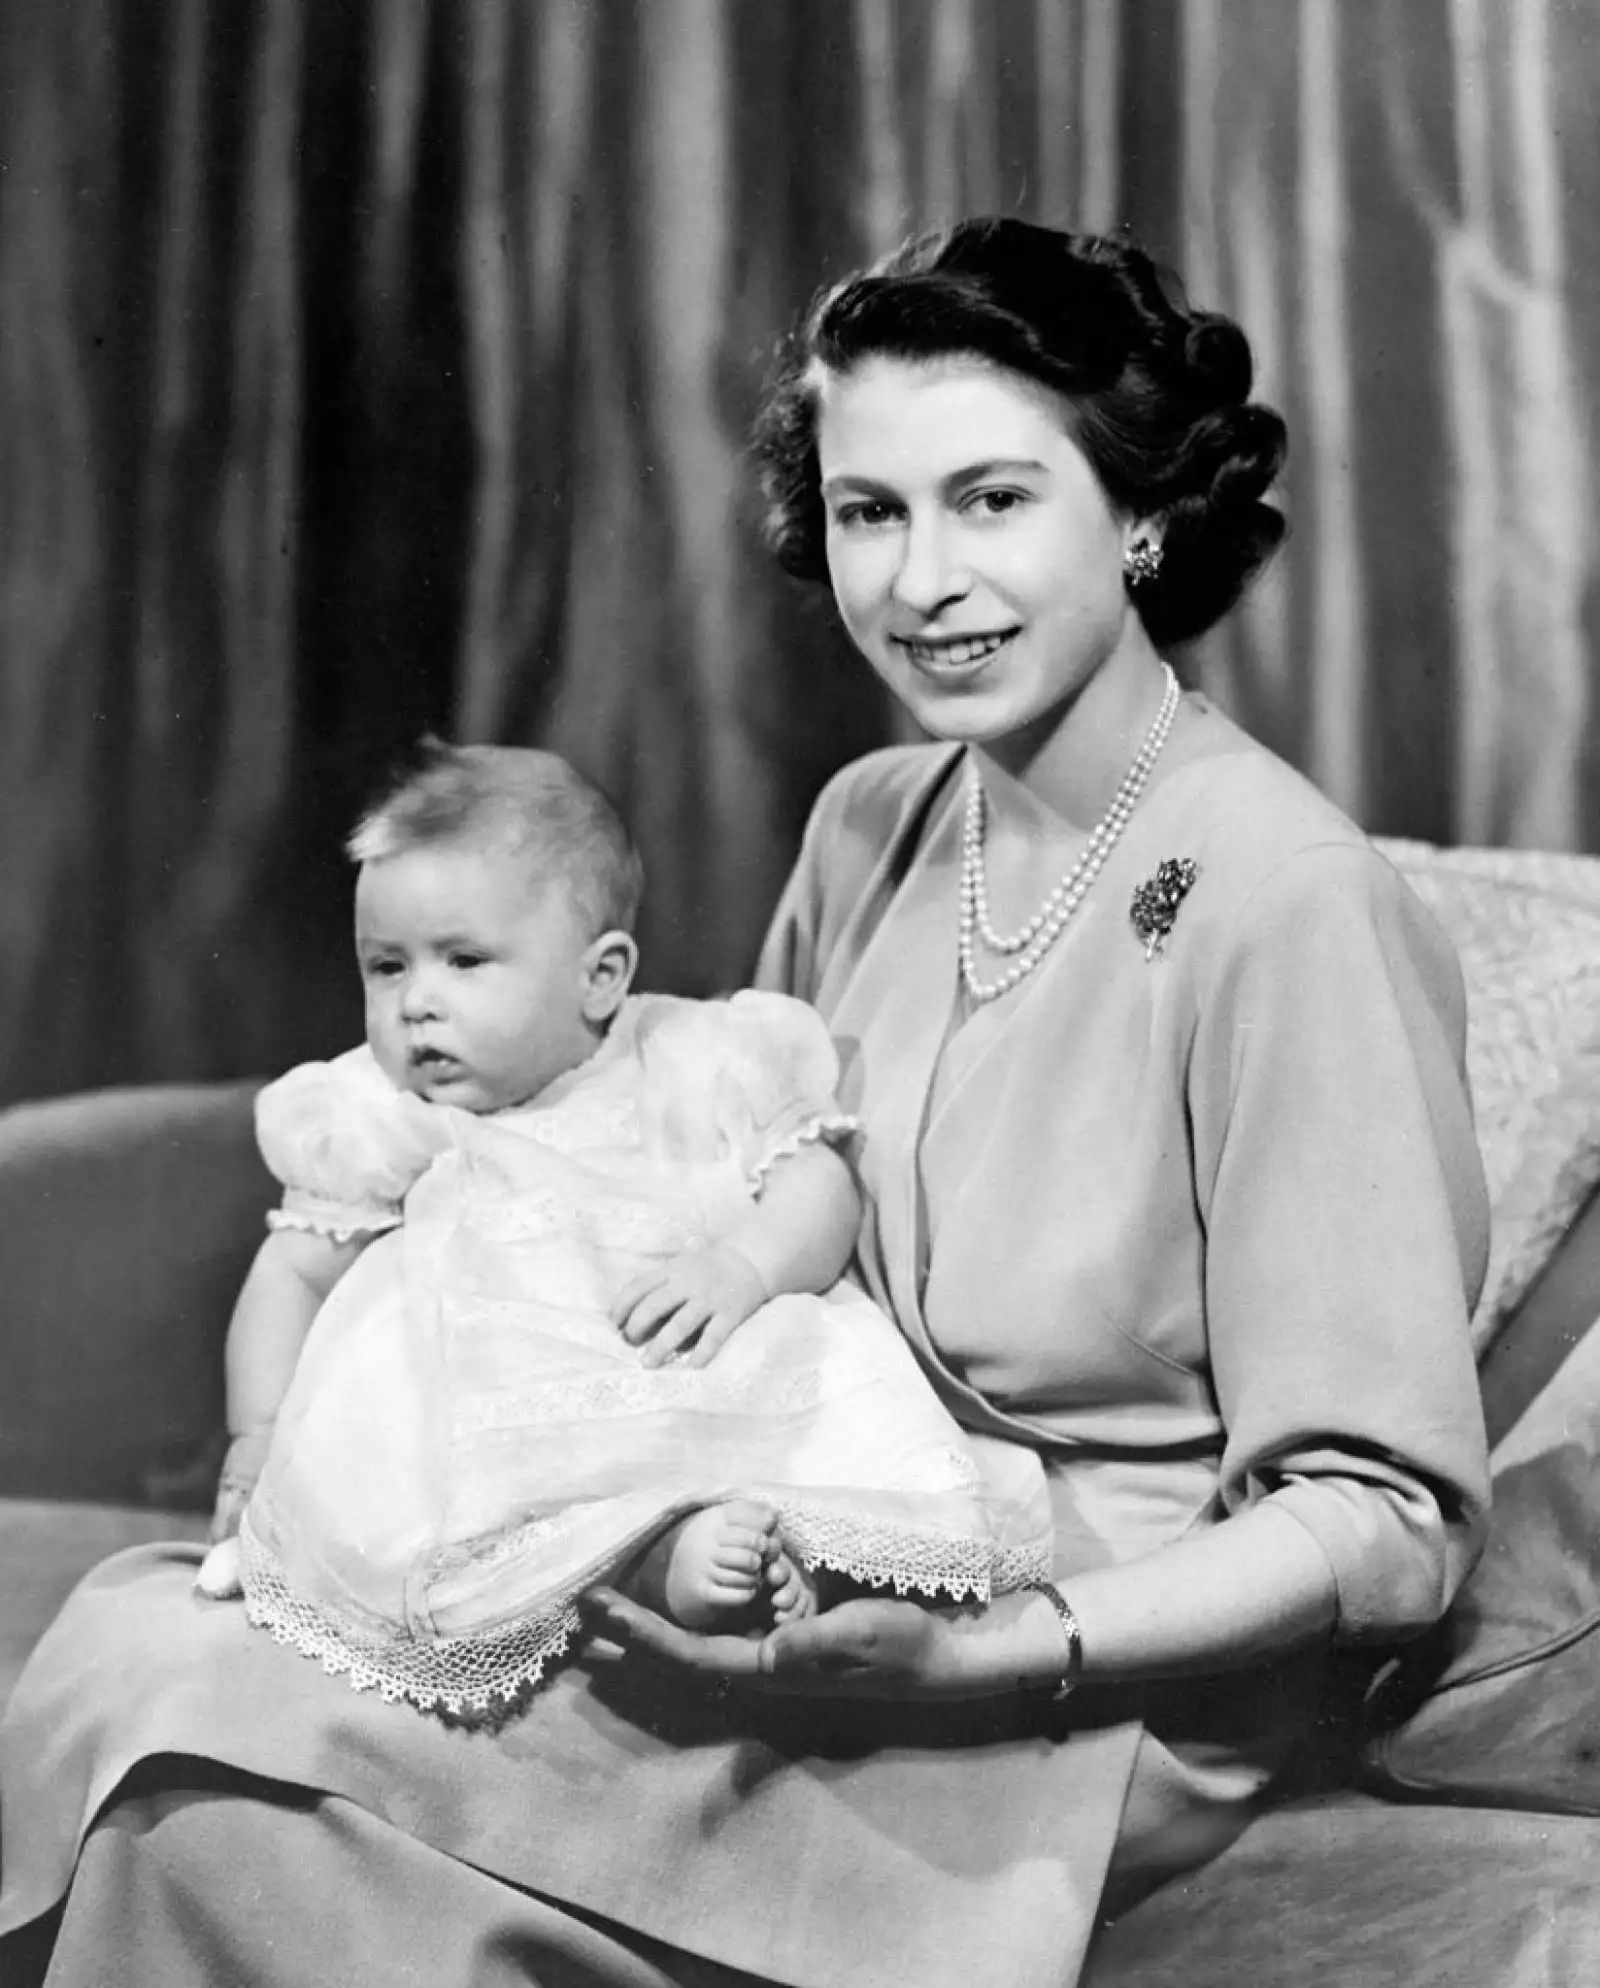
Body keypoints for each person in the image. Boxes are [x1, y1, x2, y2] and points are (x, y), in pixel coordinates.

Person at [0, 218, 1490, 1988]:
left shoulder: (1289, 896)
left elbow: (1384, 1517)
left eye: (994, 500)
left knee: (221, 1800)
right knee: (150, 1654)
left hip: (1083, 1683)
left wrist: (992, 1649)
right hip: (790, 1541)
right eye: (872, 512)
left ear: (1141, 513)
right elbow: (720, 1185)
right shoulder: (874, 820)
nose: (923, 578)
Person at [194, 740, 1050, 1719]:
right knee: (512, 1529)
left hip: (694, 1356)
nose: (415, 1001)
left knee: (821, 1434)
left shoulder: (692, 1055)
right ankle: (670, 1569)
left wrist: (746, 1263)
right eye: (384, 967)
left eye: (463, 960)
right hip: (507, 1421)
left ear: (600, 977)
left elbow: (817, 1181)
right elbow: (293, 1270)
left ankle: (809, 1565)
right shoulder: (388, 1112)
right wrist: (257, 1433)